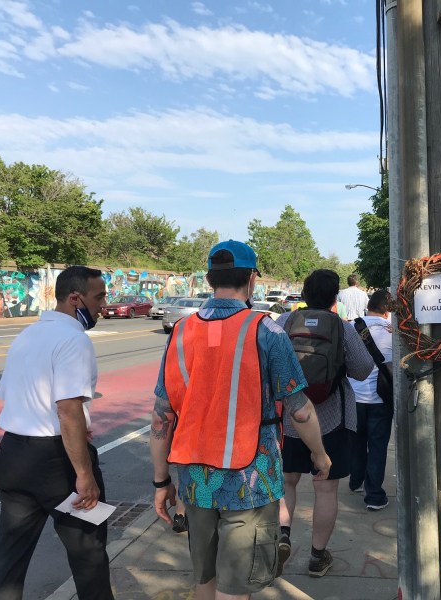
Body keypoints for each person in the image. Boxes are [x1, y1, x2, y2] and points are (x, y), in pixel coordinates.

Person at [149, 240, 331, 600]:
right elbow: (300, 408)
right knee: (236, 587)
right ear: (251, 280)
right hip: (251, 479)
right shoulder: (266, 331)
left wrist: (160, 482)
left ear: (208, 278)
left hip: (195, 478)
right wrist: (320, 454)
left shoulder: (181, 333)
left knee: (205, 580)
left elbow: (161, 415)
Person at [0, 266, 114, 600]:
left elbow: (11, 396)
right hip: (56, 461)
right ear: (76, 298)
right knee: (88, 555)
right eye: (98, 296)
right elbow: (68, 410)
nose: (103, 304)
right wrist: (84, 473)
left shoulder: (27, 335)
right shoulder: (73, 340)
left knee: (10, 557)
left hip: (13, 455)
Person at [276, 269, 373, 577]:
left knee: (287, 482)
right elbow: (362, 369)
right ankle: (318, 556)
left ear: (304, 294)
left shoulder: (283, 323)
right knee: (326, 488)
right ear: (335, 299)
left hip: (291, 419)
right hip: (332, 418)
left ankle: (282, 536)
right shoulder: (342, 328)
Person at [347, 289, 394, 510]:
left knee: (357, 442)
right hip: (380, 399)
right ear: (388, 312)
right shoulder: (393, 333)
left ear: (369, 306)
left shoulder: (351, 328)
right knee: (377, 445)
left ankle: (356, 481)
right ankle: (374, 494)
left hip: (353, 398)